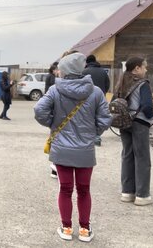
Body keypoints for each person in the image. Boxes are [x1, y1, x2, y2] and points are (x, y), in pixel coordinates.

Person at [34, 53, 111, 242]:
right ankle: (85, 229)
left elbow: (39, 110)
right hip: (85, 148)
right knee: (84, 190)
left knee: (65, 189)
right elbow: (105, 119)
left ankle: (66, 228)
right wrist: (93, 133)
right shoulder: (96, 92)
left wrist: (52, 124)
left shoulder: (55, 90)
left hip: (61, 147)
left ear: (65, 70)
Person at [114, 57, 153, 206]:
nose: (146, 69)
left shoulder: (121, 81)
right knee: (142, 158)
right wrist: (151, 118)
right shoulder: (143, 84)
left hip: (124, 123)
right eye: (144, 66)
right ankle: (142, 195)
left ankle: (127, 192)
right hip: (139, 122)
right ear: (136, 68)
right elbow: (148, 107)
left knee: (127, 156)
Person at [83, 54, 110, 146]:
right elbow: (107, 84)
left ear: (87, 62)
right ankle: (97, 137)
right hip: (100, 97)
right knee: (99, 116)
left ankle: (87, 136)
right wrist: (103, 93)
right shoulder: (103, 71)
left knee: (88, 117)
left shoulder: (84, 71)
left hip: (86, 99)